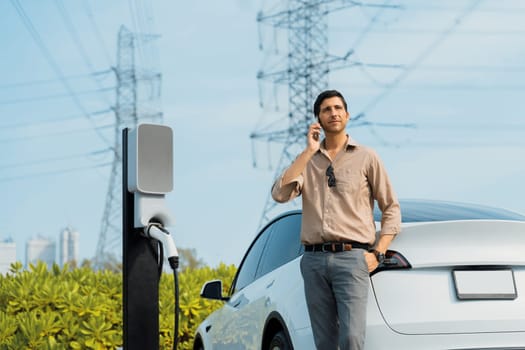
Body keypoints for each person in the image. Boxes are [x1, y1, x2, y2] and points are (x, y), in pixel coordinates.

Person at [271, 89, 401, 350]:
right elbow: (280, 194)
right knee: (325, 343)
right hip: (313, 261)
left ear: (347, 114)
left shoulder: (367, 157)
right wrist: (308, 152)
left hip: (352, 259)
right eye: (327, 109)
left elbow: (391, 208)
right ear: (318, 118)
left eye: (338, 108)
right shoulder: (307, 162)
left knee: (352, 338)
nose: (333, 113)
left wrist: (378, 252)